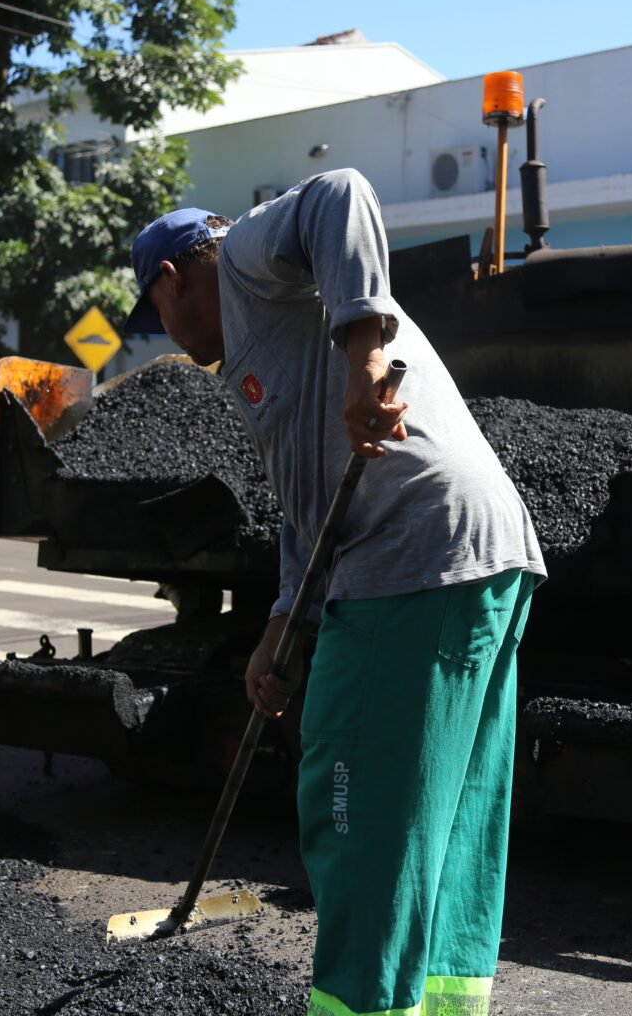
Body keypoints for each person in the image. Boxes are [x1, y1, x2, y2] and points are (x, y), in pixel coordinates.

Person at [125, 171, 546, 1016]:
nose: (163, 333)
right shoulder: (262, 348)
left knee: (358, 812)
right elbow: (311, 504)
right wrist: (284, 621)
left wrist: (366, 358)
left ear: (171, 279)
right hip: (477, 552)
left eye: (156, 313)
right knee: (448, 818)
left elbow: (341, 192)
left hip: (412, 554)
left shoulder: (243, 259)